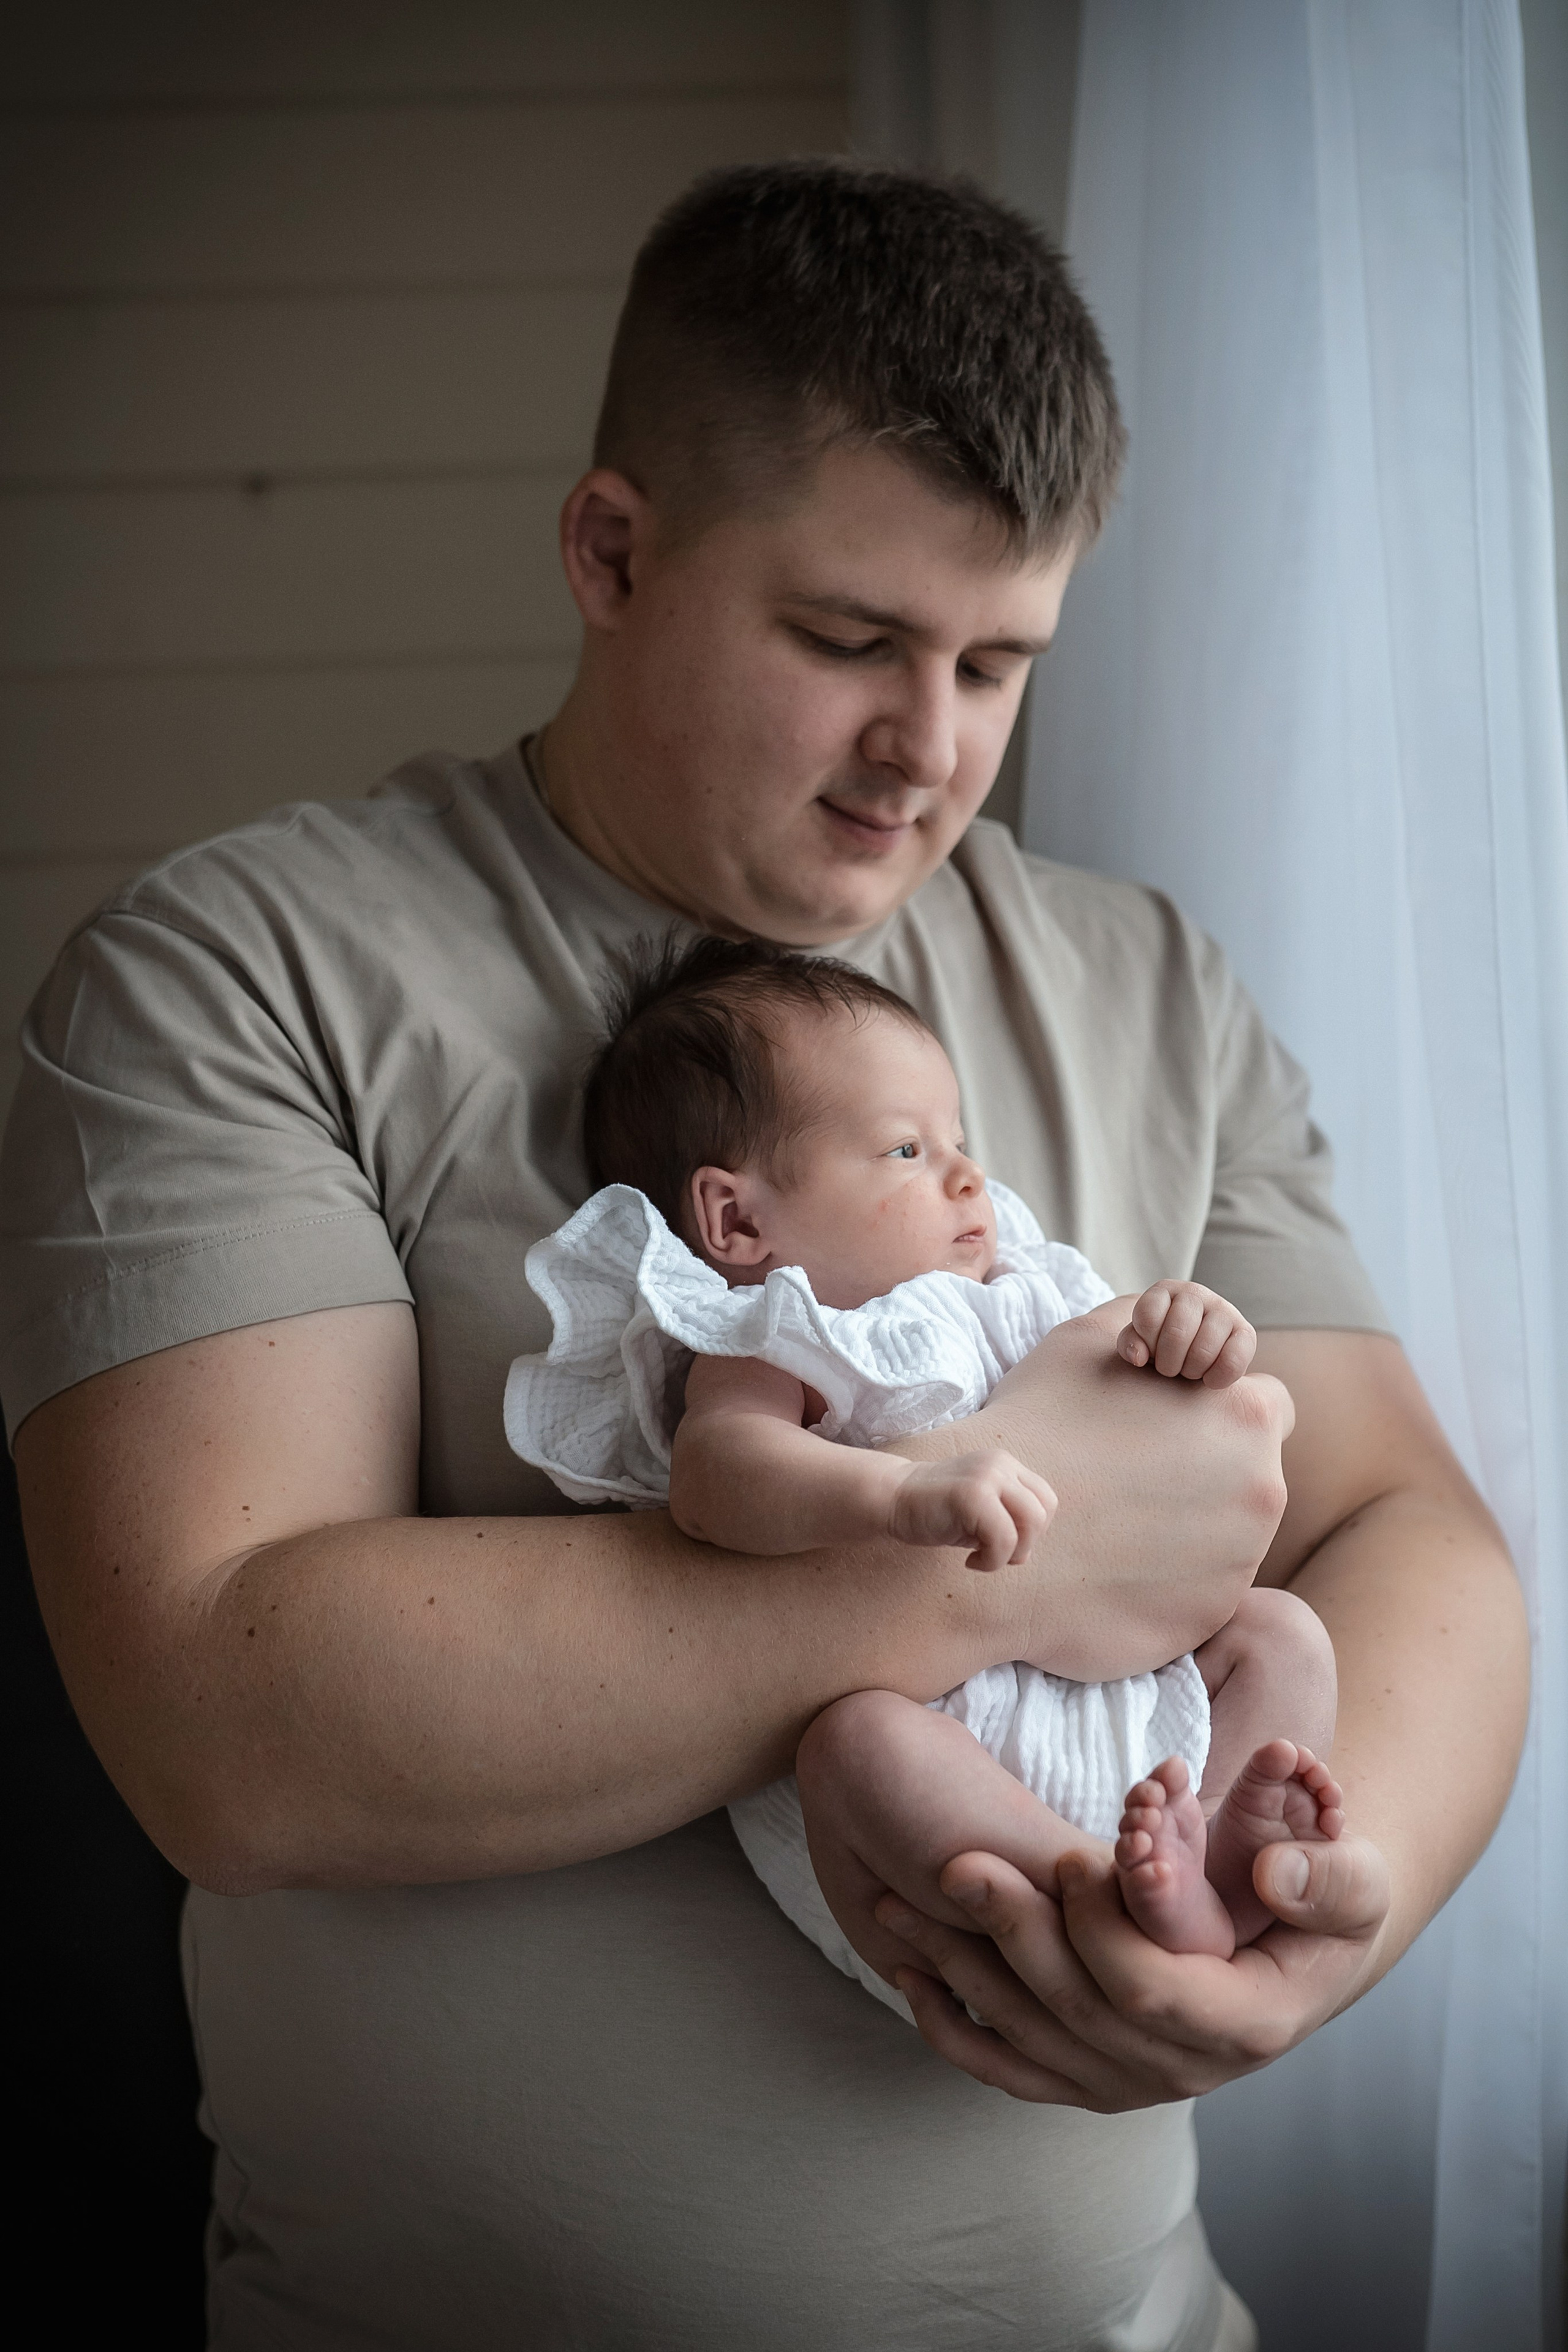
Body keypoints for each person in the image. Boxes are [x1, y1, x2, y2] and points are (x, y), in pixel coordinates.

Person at [0, 161, 1525, 2350]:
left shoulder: (1148, 982)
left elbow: (1420, 1544)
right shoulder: (238, 974)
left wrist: (1288, 1930)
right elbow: (229, 1713)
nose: (935, 753)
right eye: (849, 642)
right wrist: (1011, 1557)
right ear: (613, 549)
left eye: (1000, 660)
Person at [506, 933, 1344, 1986]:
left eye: (959, 1139)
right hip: (943, 1744)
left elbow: (1149, 1396)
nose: (966, 1175)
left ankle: (1216, 1851)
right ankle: (1090, 1893)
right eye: (907, 1150)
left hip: (1127, 1698)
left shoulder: (1026, 1289)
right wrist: (896, 1491)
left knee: (1286, 1636)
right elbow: (717, 1479)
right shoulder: (778, 1333)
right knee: (852, 1748)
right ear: (737, 1217)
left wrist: (1184, 1325)